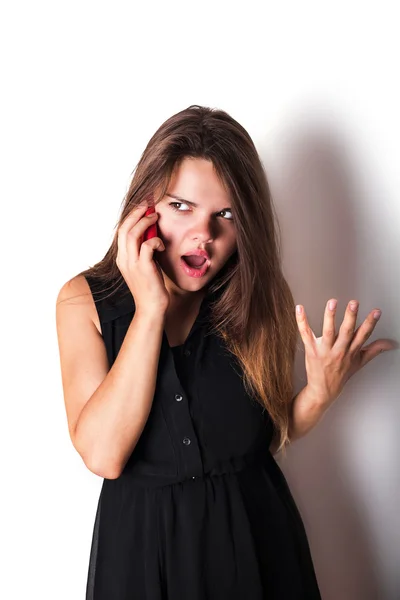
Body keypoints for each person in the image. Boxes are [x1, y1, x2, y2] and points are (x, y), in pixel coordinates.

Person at [55, 105, 395, 599]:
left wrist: (319, 394)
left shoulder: (258, 296)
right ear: (144, 206)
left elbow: (261, 436)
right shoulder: (83, 302)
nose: (205, 235)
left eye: (226, 214)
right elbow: (104, 455)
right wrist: (149, 311)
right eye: (182, 207)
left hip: (258, 551)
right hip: (143, 563)